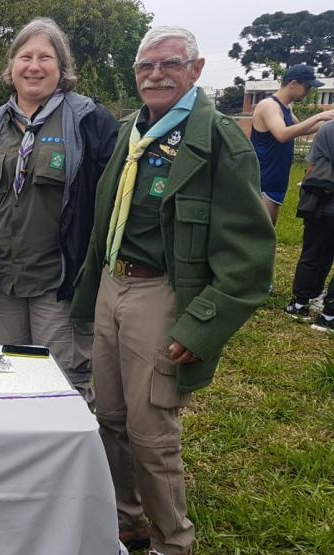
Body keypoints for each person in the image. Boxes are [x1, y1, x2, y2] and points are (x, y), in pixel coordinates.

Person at [70, 26, 276, 555]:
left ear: (196, 70)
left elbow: (250, 258)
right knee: (109, 418)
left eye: (170, 64)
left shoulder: (220, 143)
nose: (156, 74)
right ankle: (128, 520)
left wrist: (202, 323)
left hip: (161, 293)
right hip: (114, 284)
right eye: (146, 66)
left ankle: (172, 542)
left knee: (151, 431)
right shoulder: (129, 131)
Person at [0, 18, 118, 405]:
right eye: (25, 56)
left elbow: (108, 199)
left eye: (46, 57)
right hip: (3, 280)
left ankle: (66, 465)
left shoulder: (90, 121)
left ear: (62, 69)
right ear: (11, 68)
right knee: (8, 378)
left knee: (63, 385)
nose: (34, 66)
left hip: (58, 282)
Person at [250, 64, 334, 225]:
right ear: (293, 83)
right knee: (260, 234)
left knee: (268, 231)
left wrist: (326, 123)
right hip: (263, 181)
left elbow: (300, 129)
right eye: (307, 87)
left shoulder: (286, 107)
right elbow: (282, 134)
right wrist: (318, 117)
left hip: (276, 180)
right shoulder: (269, 106)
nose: (308, 92)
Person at [285, 121, 334, 332]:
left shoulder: (327, 128)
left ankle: (300, 303)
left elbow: (310, 167)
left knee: (312, 252)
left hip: (320, 200)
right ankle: (329, 315)